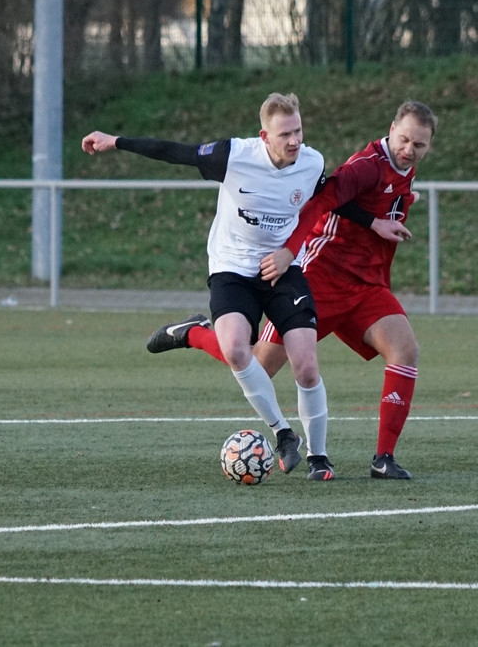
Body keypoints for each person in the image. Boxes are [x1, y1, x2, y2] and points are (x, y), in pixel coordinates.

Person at [150, 101, 436, 480]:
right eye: (404, 140)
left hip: (366, 287)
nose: (409, 149)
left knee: (405, 350)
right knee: (257, 364)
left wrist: (388, 213)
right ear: (392, 129)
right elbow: (321, 200)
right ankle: (195, 333)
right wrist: (291, 250)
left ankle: (383, 458)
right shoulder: (367, 165)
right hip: (321, 276)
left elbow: (380, 201)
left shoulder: (404, 170)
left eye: (419, 144)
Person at [82, 92, 334, 481]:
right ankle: (284, 433)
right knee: (235, 348)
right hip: (232, 267)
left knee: (306, 365)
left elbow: (331, 198)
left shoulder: (312, 162)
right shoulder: (234, 155)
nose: (295, 141)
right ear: (264, 136)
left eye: (298, 131)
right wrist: (115, 141)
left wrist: (373, 223)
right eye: (285, 134)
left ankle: (319, 457)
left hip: (283, 269)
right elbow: (174, 151)